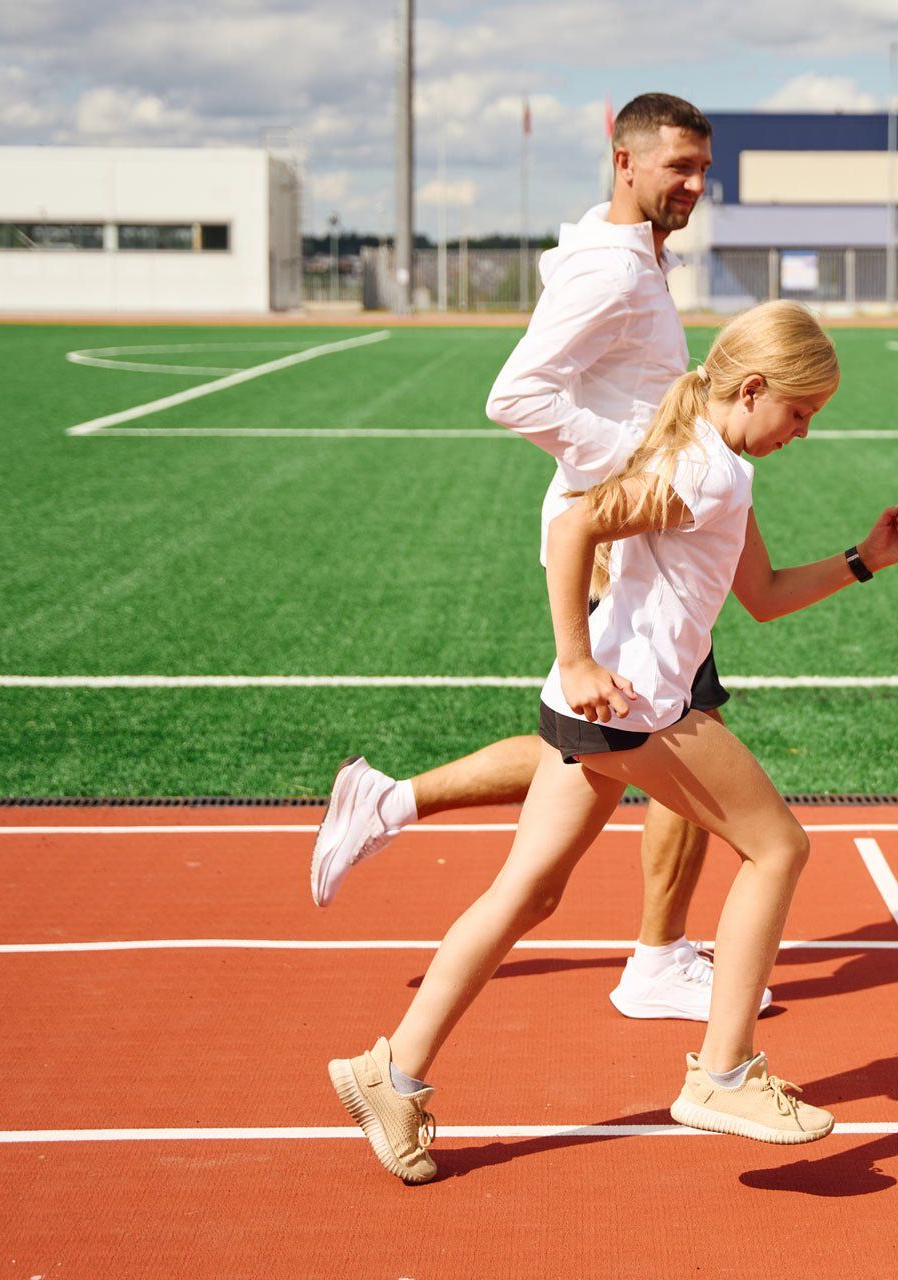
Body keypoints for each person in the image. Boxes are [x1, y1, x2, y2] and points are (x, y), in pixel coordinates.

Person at [328, 301, 898, 1181]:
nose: (804, 431)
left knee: (526, 893)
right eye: (800, 412)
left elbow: (756, 594)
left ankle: (393, 1074)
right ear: (753, 389)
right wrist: (575, 659)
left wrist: (861, 560)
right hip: (635, 708)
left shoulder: (720, 465)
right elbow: (574, 528)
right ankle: (724, 1075)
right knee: (778, 850)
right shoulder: (705, 470)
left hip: (604, 711)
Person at [312, 93, 748, 1023]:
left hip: (639, 538)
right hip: (623, 544)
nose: (696, 185)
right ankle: (656, 956)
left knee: (596, 749)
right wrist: (636, 470)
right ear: (624, 161)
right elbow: (514, 397)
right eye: (680, 167)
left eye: (704, 169)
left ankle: (389, 805)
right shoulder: (612, 274)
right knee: (656, 734)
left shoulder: (632, 258)